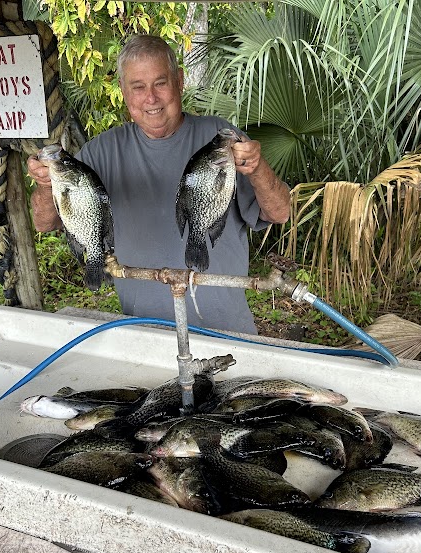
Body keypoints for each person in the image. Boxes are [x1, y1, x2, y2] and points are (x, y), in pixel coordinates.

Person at [27, 35, 290, 335]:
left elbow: (280, 212)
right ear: (124, 92)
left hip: (229, 333)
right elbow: (44, 223)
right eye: (138, 87)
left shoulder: (222, 139)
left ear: (179, 81)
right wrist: (48, 183)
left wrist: (257, 169)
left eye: (160, 83)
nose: (150, 98)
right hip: (146, 335)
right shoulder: (100, 153)